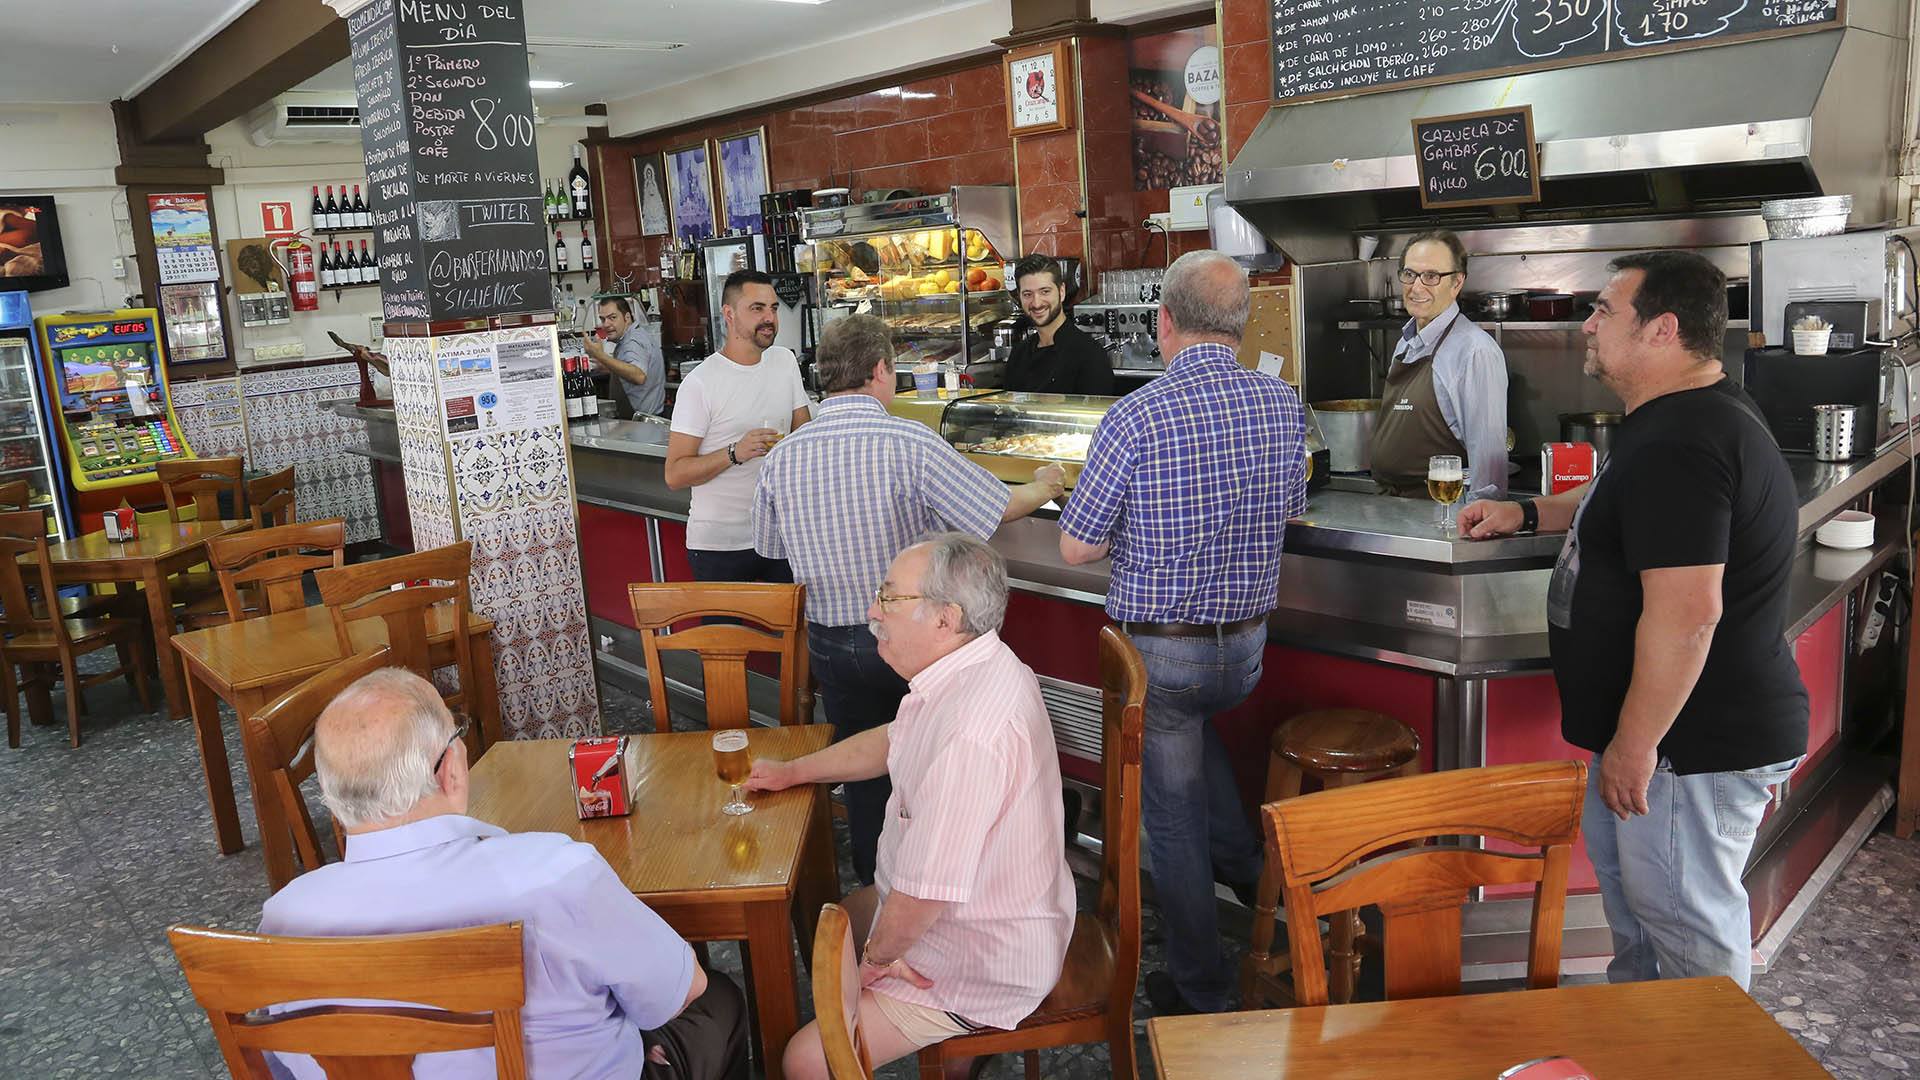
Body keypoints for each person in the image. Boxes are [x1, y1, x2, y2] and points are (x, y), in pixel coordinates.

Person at [1458, 250, 1806, 990]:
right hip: (1663, 743)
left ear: (1662, 330)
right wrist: (1527, 510)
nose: (1587, 325)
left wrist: (1635, 746)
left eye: (1605, 310)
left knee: (1688, 944)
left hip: (1685, 747)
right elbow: (1615, 510)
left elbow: (1687, 618)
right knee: (1645, 931)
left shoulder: (1682, 443)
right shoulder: (1684, 418)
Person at [259, 668, 747, 1079]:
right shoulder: (555, 875)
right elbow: (677, 994)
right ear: (450, 769)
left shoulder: (284, 920)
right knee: (719, 1001)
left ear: (333, 797)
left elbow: (280, 1059)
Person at [1058, 249, 1308, 1016]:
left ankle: (1201, 989)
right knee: (1194, 739)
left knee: (1169, 825)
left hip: (1163, 654)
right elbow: (1292, 505)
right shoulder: (1282, 402)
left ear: (1163, 323)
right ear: (1241, 325)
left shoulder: (1135, 414)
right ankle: (1245, 862)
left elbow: (1077, 546)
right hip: (1247, 649)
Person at [744, 536, 1076, 1079]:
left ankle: (956, 1031)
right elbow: (893, 739)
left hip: (983, 951)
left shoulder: (971, 733)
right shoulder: (973, 663)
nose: (872, 611)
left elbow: (924, 894)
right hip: (981, 903)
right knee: (830, 925)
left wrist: (876, 960)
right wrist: (796, 771)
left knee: (803, 1060)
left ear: (946, 618)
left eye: (889, 597)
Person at [752, 314, 1064, 884]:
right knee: (928, 763)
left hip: (829, 640)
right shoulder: (910, 442)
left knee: (862, 765)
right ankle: (933, 881)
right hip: (910, 642)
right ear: (880, 371)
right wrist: (1045, 484)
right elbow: (992, 509)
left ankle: (877, 880)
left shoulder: (782, 456)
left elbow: (771, 549)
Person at [666, 269, 812, 582]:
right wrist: (735, 452)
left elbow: (804, 435)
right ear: (729, 314)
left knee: (791, 631)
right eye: (756, 308)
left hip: (780, 537)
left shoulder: (785, 362)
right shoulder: (700, 384)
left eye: (773, 308)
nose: (769, 318)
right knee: (725, 633)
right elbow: (675, 474)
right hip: (720, 546)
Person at [1368, 229, 1510, 499]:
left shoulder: (1475, 351)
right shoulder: (1406, 343)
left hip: (1439, 512)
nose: (1417, 287)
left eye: (1431, 276)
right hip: (1393, 506)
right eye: (1409, 274)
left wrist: (1481, 520)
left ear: (1457, 283)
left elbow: (1489, 463)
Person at [1003, 254, 1114, 395]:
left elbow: (1098, 415)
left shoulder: (1089, 355)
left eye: (1045, 292)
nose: (1036, 303)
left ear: (1061, 292)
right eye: (1027, 294)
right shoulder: (1019, 354)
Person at [585, 295, 667, 418]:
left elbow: (638, 376)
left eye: (612, 318)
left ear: (627, 318)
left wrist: (600, 356)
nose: (606, 324)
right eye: (603, 319)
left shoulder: (632, 342)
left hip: (643, 426)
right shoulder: (636, 335)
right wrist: (606, 366)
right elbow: (630, 368)